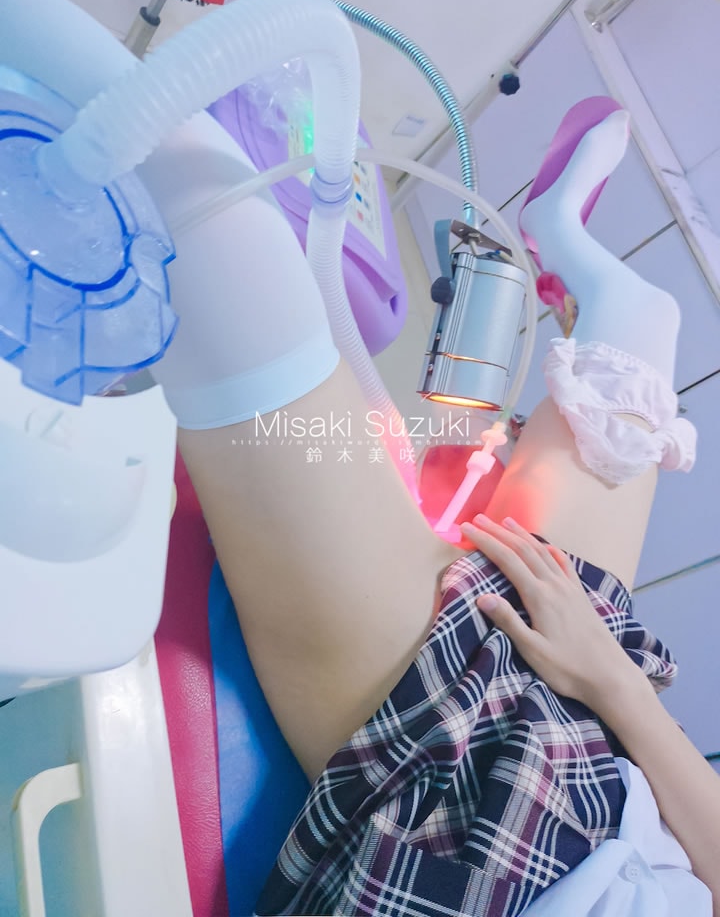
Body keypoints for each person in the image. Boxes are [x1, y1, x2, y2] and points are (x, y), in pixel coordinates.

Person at [149, 100, 720, 916]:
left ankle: (101, 94)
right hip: (608, 752)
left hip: (465, 829)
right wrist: (606, 675)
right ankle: (553, 229)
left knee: (219, 226)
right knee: (645, 322)